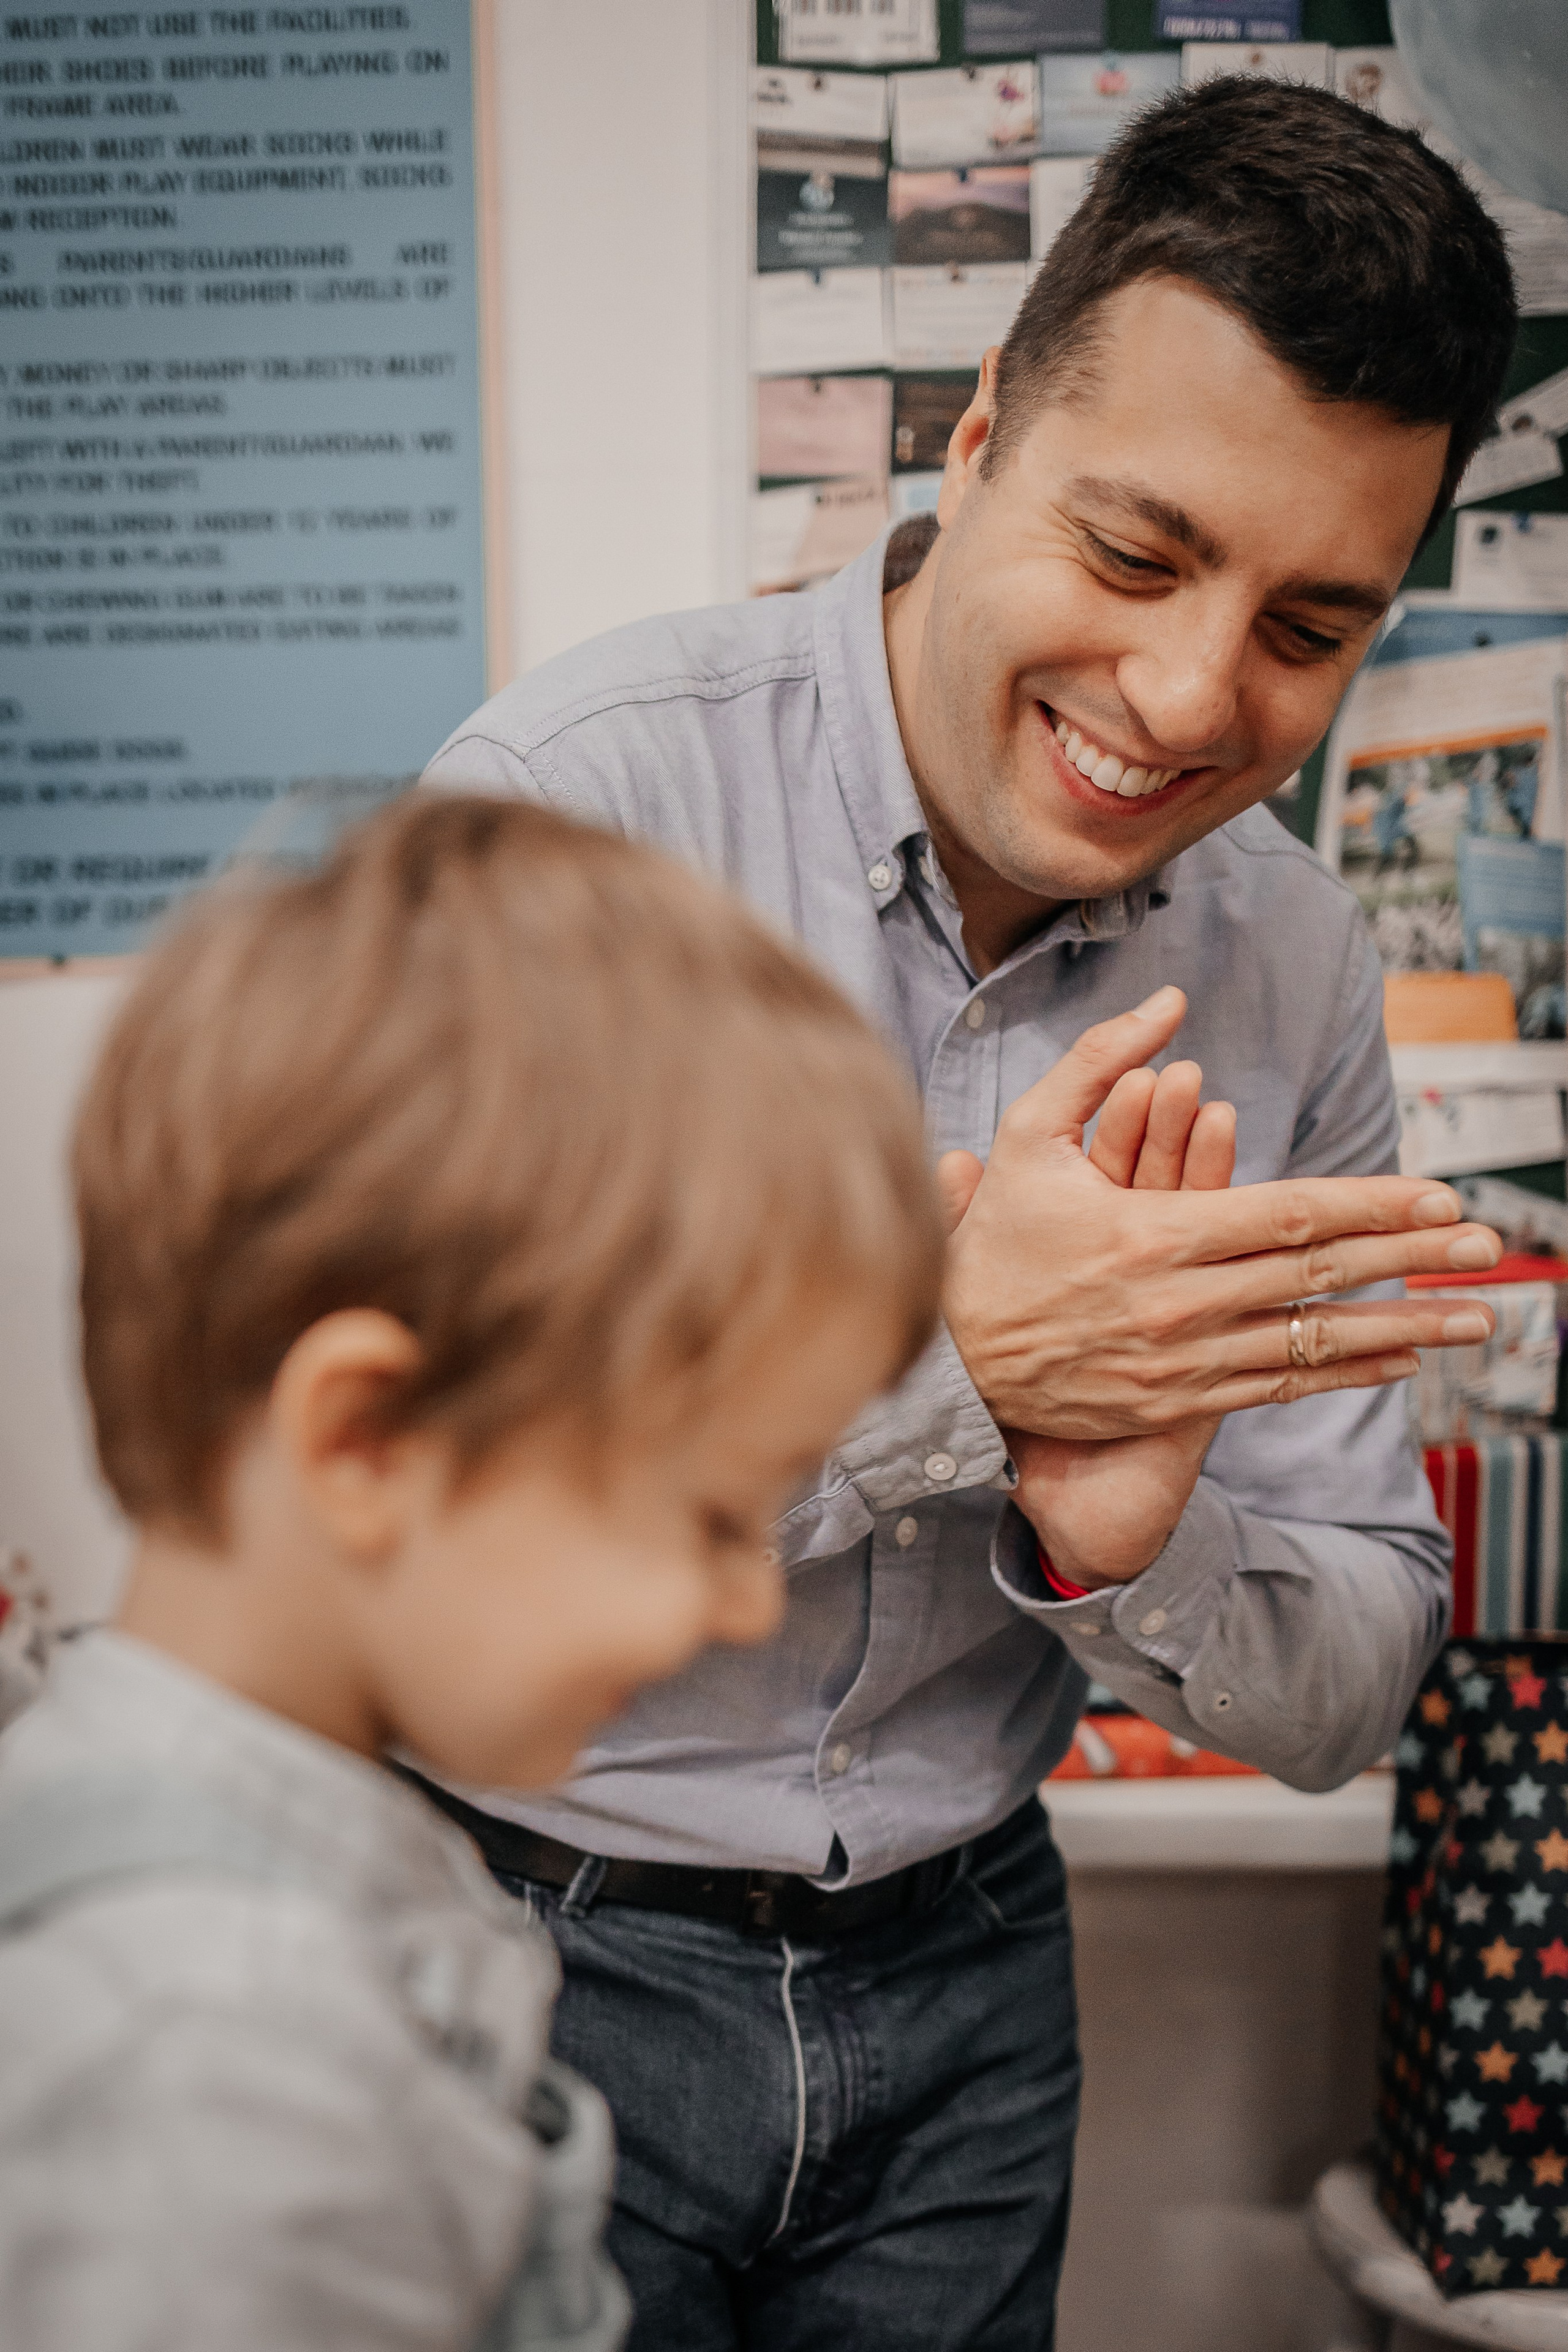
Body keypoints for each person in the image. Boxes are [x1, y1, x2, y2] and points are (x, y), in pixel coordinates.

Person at [423, 76, 1518, 2350]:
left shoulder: (1292, 960)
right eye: (1136, 555)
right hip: (521, 1965)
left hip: (975, 1987)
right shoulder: (573, 820)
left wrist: (1126, 1535)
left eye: (1314, 627)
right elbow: (419, 1548)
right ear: (982, 425)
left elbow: (1352, 1667)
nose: (1193, 694)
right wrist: (960, 1381)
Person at [0, 793, 947, 2351]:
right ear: (368, 1441)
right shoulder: (214, 2071)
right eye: (709, 1516)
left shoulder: (291, 1863)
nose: (746, 1602)